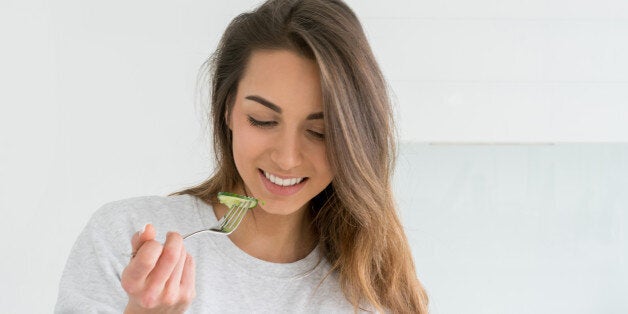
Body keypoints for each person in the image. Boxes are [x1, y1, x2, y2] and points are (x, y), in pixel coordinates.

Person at [55, 0, 429, 313]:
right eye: (263, 120)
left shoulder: (372, 293)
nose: (286, 158)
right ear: (228, 109)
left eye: (320, 132)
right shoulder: (123, 235)